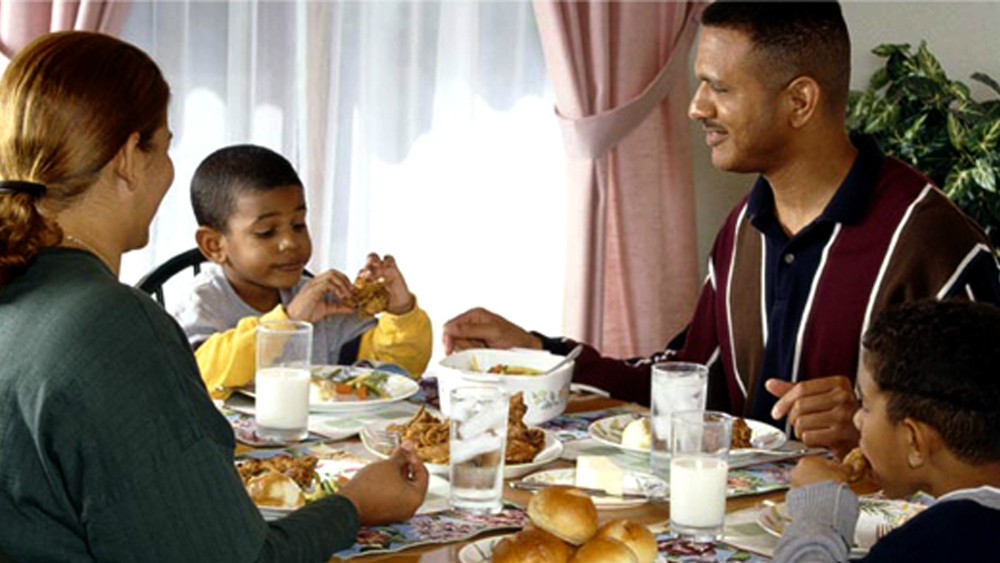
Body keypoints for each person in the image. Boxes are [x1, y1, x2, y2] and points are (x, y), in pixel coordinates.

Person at [442, 0, 1000, 458]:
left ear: (800, 101)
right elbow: (688, 381)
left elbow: (984, 459)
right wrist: (541, 353)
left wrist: (864, 428)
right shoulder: (745, 229)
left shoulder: (930, 244)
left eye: (719, 88)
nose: (695, 107)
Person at [0, 31, 427, 561]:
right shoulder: (111, 325)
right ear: (131, 158)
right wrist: (353, 506)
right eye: (167, 145)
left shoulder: (21, 293)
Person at [173, 144, 433, 399]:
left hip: (321, 441)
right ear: (214, 245)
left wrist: (401, 312)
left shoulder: (318, 299)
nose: (291, 242)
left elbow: (395, 374)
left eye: (298, 225)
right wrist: (289, 320)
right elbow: (199, 378)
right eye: (266, 232)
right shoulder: (204, 305)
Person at [774, 300, 1000, 562]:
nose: (856, 420)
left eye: (866, 406)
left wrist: (820, 513)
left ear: (914, 441)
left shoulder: (932, 544)